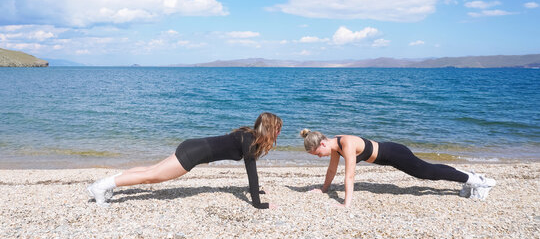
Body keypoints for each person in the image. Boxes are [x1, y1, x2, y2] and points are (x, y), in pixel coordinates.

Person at [87, 112, 283, 209]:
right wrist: (257, 203)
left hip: (192, 146)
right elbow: (252, 172)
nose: (278, 132)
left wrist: (255, 190)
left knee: (151, 169)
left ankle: (105, 184)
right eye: (277, 129)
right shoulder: (249, 141)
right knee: (152, 177)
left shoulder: (248, 135)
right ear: (268, 129)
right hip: (193, 154)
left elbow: (252, 170)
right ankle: (101, 187)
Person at [300, 129, 496, 207]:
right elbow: (332, 171)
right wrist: (323, 189)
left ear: (323, 144)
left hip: (395, 154)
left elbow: (349, 176)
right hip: (390, 155)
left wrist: (346, 204)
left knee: (428, 173)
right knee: (428, 171)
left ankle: (478, 182)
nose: (320, 157)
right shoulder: (335, 145)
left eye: (317, 153)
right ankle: (469, 178)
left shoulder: (346, 144)